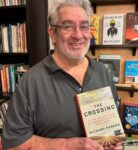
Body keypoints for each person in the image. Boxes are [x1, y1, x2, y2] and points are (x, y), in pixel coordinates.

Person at [2, 0, 123, 149]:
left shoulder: (102, 72)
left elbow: (110, 129)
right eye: (68, 26)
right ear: (52, 33)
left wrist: (112, 143)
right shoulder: (31, 81)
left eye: (84, 26)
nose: (78, 35)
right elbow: (13, 144)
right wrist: (68, 145)